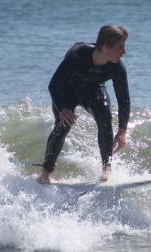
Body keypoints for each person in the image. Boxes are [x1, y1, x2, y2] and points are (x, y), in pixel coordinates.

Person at [37, 25, 130, 184]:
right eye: (120, 47)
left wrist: (122, 130)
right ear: (106, 48)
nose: (124, 52)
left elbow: (124, 100)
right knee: (63, 125)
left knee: (105, 118)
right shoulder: (78, 54)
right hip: (67, 91)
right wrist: (63, 109)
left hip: (93, 90)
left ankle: (106, 168)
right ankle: (46, 173)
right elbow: (54, 84)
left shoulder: (117, 67)